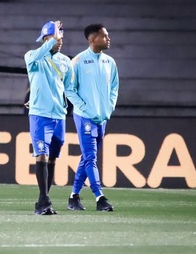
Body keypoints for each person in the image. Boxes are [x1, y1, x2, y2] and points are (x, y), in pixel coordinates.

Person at [66, 23, 119, 212]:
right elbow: (69, 89)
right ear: (92, 39)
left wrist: (109, 108)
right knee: (90, 158)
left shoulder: (110, 62)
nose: (108, 38)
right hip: (85, 118)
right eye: (105, 36)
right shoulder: (78, 61)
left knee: (87, 158)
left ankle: (73, 197)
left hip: (102, 118)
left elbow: (114, 88)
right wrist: (83, 108)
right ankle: (100, 197)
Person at [24, 20, 73, 215]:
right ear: (45, 39)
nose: (60, 40)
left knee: (52, 158)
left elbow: (68, 88)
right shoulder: (32, 57)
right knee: (41, 155)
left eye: (61, 36)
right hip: (40, 115)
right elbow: (37, 54)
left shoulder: (65, 61)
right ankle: (44, 200)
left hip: (59, 116)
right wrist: (52, 41)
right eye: (55, 37)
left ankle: (42, 200)